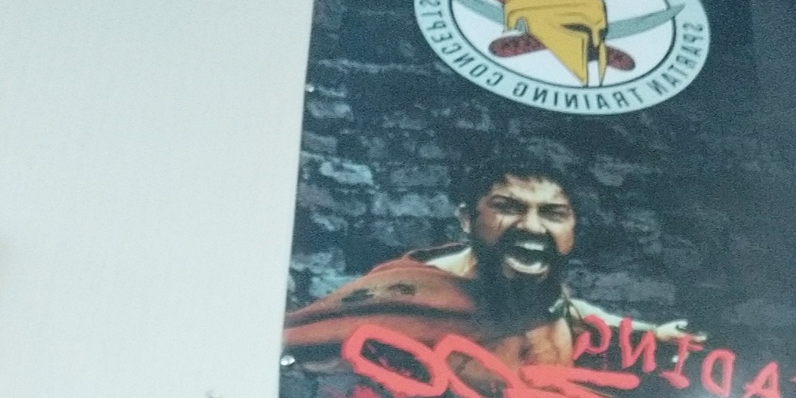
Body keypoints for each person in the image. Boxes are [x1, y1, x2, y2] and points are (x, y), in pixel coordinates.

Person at [283, 159, 696, 376]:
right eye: (508, 208)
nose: (531, 227)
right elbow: (299, 340)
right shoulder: (407, 296)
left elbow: (572, 311)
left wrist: (651, 333)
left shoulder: (541, 293)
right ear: (468, 220)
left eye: (553, 213)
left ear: (572, 228)